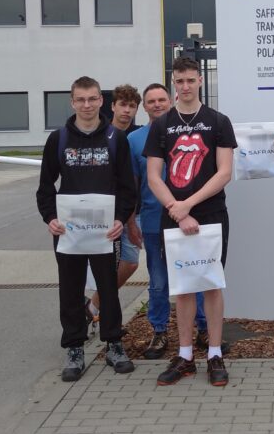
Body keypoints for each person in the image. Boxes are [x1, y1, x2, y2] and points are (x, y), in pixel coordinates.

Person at [36, 75, 137, 382]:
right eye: (80, 99)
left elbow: (127, 187)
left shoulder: (115, 139)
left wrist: (120, 218)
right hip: (69, 232)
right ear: (72, 102)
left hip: (105, 231)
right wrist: (50, 218)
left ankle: (114, 344)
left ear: (101, 101)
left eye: (92, 98)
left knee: (108, 288)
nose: (87, 105)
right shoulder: (59, 139)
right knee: (70, 289)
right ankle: (74, 348)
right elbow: (45, 187)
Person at [144, 57, 236, 387]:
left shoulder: (218, 121)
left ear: (200, 80)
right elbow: (154, 176)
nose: (185, 86)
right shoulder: (162, 124)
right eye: (179, 81)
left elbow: (224, 172)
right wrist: (177, 210)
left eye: (190, 80)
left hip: (211, 214)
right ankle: (184, 356)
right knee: (182, 287)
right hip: (174, 216)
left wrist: (188, 206)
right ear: (174, 83)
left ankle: (214, 354)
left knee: (211, 283)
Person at [127, 83, 210, 360]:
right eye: (151, 101)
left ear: (170, 100)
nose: (157, 105)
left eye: (161, 99)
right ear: (144, 106)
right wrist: (131, 221)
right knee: (159, 281)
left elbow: (225, 150)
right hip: (153, 220)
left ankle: (204, 329)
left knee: (196, 275)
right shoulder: (134, 140)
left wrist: (270, 143)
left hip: (191, 218)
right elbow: (132, 184)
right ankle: (160, 331)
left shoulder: (188, 130)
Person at [86, 84, 143, 322]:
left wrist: (131, 220)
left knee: (129, 263)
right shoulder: (101, 134)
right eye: (123, 105)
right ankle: (104, 315)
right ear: (112, 106)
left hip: (132, 210)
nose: (127, 110)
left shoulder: (137, 136)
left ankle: (93, 306)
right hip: (105, 211)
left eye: (132, 106)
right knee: (106, 265)